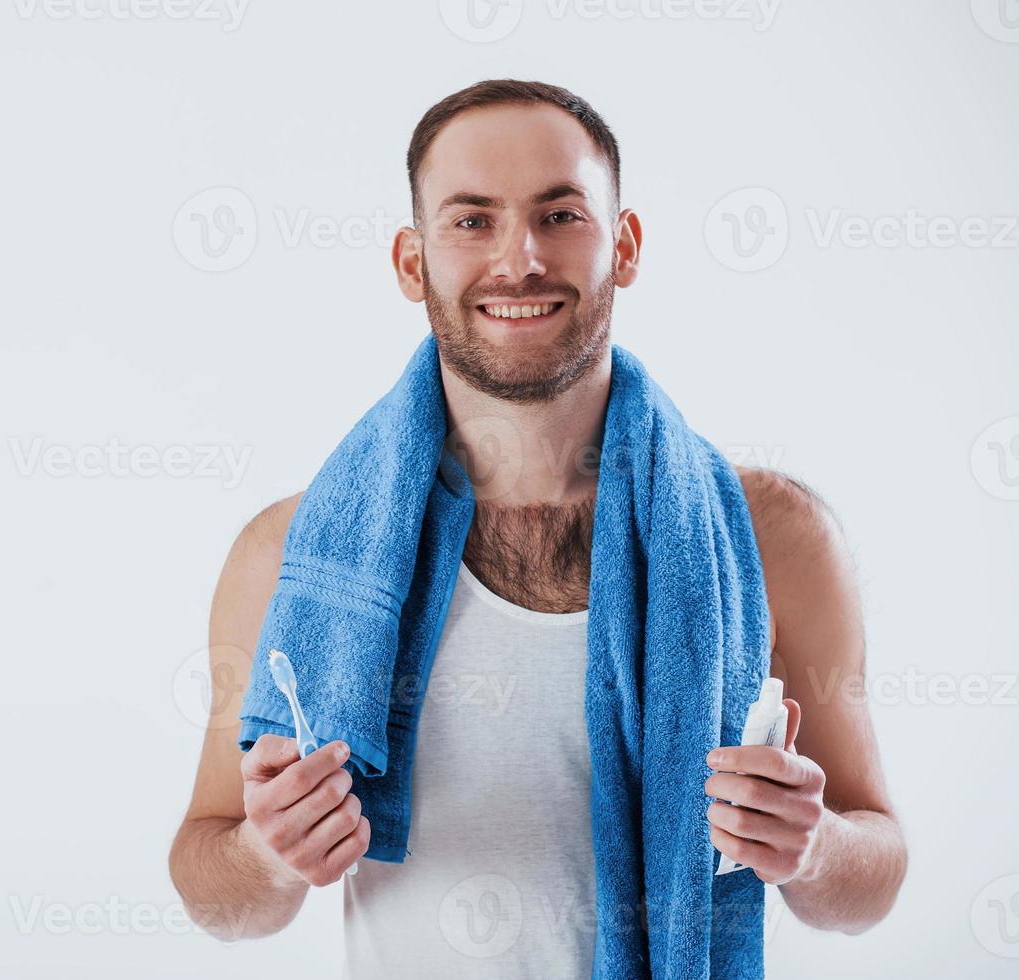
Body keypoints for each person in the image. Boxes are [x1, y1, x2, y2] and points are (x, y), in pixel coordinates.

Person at [168, 79, 907, 977]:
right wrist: (266, 857)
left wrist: (816, 846)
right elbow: (212, 885)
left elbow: (875, 876)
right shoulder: (292, 556)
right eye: (471, 221)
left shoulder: (772, 536)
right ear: (412, 263)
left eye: (560, 215)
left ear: (624, 245)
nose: (519, 260)